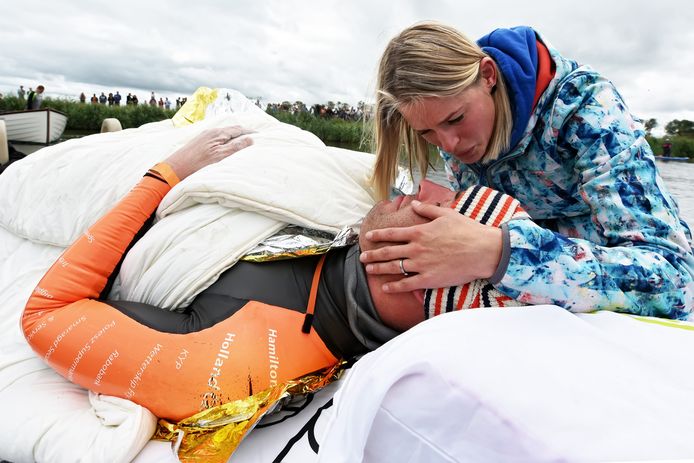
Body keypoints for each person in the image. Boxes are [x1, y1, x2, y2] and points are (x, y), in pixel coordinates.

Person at [21, 126, 528, 420]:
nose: (429, 190)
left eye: (450, 206)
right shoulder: (358, 227)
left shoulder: (233, 363)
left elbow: (47, 313)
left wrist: (165, 175)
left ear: (414, 273)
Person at [362, 22, 694, 319]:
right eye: (427, 133)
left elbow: (678, 280)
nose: (448, 145)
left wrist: (499, 253)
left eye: (456, 119)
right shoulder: (454, 137)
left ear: (488, 75)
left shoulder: (588, 110)